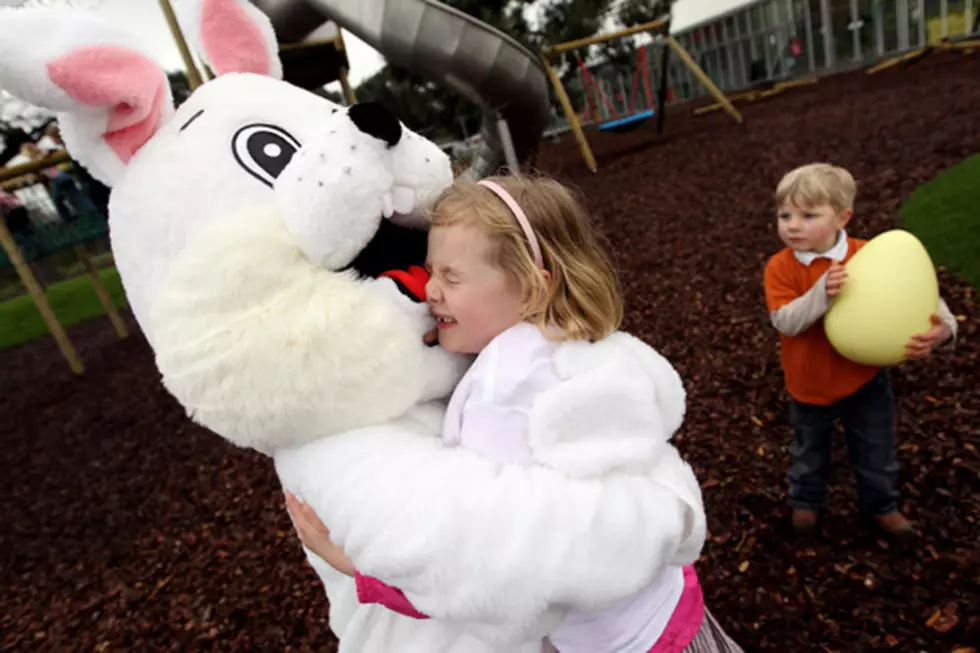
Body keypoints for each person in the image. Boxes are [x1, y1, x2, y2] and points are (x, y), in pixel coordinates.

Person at [287, 173, 743, 653]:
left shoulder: (503, 390)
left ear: (528, 289)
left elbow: (490, 564)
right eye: (430, 272)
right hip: (673, 605)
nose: (430, 292)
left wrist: (358, 569)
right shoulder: (573, 345)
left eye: (451, 276)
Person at [764, 162, 957, 539]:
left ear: (842, 217)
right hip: (810, 383)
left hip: (865, 378)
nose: (792, 225)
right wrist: (821, 293)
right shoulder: (780, 268)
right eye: (784, 214)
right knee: (809, 452)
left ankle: (882, 506)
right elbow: (785, 322)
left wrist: (944, 330)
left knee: (876, 447)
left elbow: (922, 295)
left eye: (808, 215)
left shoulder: (869, 255)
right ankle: (806, 503)